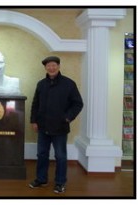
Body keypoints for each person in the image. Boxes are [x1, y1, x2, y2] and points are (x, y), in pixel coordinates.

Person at [29, 56, 83, 193]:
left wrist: (67, 118)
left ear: (58, 66)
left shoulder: (69, 84)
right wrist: (33, 121)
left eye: (54, 65)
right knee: (41, 154)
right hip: (42, 126)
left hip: (60, 127)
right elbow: (35, 104)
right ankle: (41, 179)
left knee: (60, 156)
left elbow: (78, 103)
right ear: (45, 68)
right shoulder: (41, 84)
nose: (51, 68)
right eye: (48, 66)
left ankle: (60, 182)